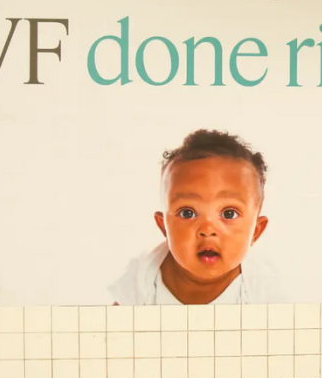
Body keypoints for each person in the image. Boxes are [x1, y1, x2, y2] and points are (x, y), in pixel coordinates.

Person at [108, 128, 286, 305]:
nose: (207, 230)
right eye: (187, 213)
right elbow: (109, 322)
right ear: (164, 227)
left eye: (228, 213)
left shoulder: (261, 284)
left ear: (256, 231)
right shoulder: (144, 276)